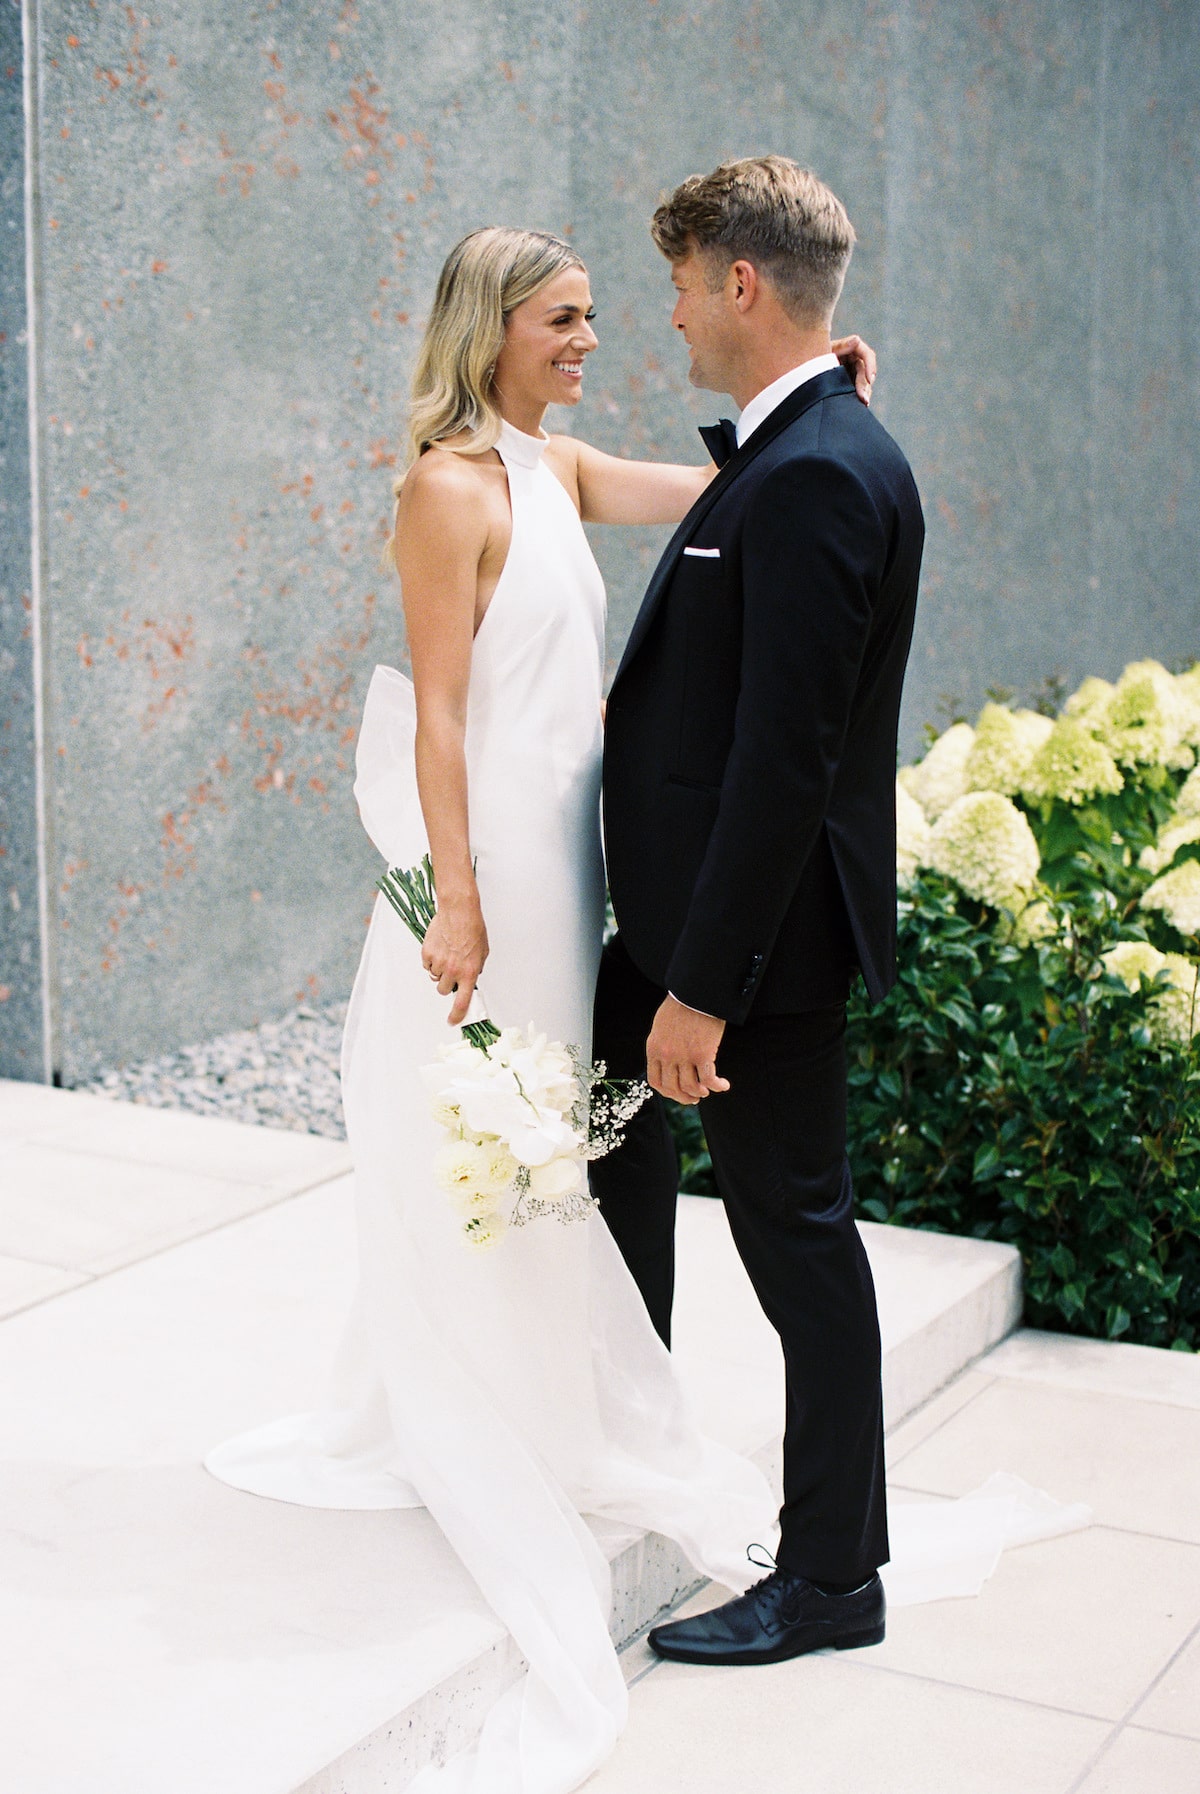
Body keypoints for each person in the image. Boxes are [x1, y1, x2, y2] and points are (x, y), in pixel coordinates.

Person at [205, 224, 876, 1793]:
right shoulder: (446, 487)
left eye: (593, 316)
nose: (591, 338)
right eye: (566, 319)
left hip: (574, 871)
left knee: (552, 1145)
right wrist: (457, 890)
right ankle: (479, 1413)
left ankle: (547, 1404)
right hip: (495, 863)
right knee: (490, 1138)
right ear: (494, 327)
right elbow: (437, 706)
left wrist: (822, 391)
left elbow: (732, 487)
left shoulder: (556, 468)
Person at [593, 155, 926, 1666]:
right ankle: (621, 1432)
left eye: (676, 286)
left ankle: (833, 1577)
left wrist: (704, 988)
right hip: (690, 937)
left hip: (757, 959)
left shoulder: (816, 480)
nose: (662, 318)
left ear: (742, 283)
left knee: (800, 1245)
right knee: (610, 1146)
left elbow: (786, 762)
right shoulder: (807, 447)